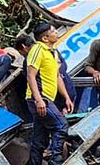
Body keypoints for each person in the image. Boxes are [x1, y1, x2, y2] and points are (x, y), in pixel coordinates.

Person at [26, 22, 73, 165]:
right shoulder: (37, 49)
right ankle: (55, 161)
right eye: (53, 31)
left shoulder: (53, 52)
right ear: (45, 38)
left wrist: (66, 97)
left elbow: (57, 77)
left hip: (46, 99)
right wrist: (39, 99)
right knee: (61, 125)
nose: (56, 33)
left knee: (40, 139)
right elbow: (30, 75)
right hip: (40, 99)